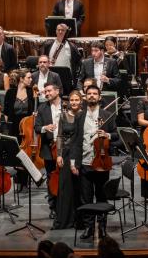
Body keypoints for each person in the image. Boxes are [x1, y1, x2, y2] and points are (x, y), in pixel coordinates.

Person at [74, 85, 118, 240]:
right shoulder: (79, 116)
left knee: (101, 196)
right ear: (85, 97)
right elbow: (75, 141)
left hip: (102, 162)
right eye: (89, 94)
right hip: (85, 162)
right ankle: (88, 228)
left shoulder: (107, 115)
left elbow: (116, 136)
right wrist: (74, 162)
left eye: (95, 94)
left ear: (99, 97)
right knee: (85, 197)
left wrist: (107, 135)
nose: (92, 96)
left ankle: (103, 226)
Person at [52, 90, 83, 229]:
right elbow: (59, 136)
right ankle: (65, 220)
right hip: (65, 153)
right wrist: (59, 154)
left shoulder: (84, 115)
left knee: (79, 188)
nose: (74, 102)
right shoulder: (63, 116)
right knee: (65, 187)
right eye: (72, 100)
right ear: (69, 102)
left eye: (77, 100)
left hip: (80, 154)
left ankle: (79, 220)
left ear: (81, 101)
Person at [34, 82, 64, 217]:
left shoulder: (67, 105)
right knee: (51, 178)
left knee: (66, 178)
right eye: (45, 92)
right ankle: (53, 207)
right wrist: (45, 128)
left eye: (49, 91)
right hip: (49, 148)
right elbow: (36, 127)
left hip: (65, 147)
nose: (46, 94)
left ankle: (67, 205)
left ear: (57, 91)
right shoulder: (42, 108)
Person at [4, 69, 37, 141]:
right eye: (28, 78)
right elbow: (6, 113)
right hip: (13, 126)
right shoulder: (10, 92)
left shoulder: (32, 91)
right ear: (21, 79)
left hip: (28, 126)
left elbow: (36, 109)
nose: (31, 80)